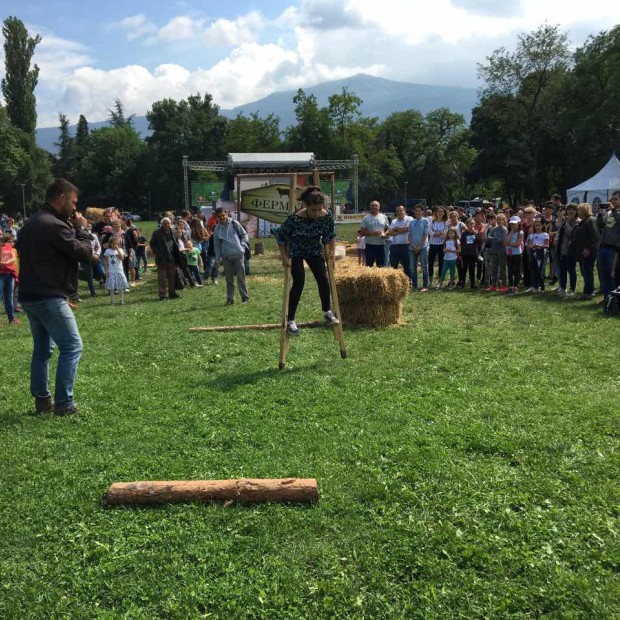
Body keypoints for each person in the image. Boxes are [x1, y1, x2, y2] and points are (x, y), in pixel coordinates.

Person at [15, 178, 92, 416]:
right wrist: (82, 229)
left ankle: (42, 402)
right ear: (61, 199)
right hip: (48, 296)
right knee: (72, 346)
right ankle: (64, 404)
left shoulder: (30, 223)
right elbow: (84, 253)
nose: (75, 208)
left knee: (42, 351)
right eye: (73, 201)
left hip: (29, 296)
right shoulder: (55, 226)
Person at [276, 185, 340, 336]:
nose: (317, 213)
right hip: (297, 250)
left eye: (320, 209)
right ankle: (291, 320)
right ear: (306, 206)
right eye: (314, 210)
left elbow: (330, 234)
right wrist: (285, 257)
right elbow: (280, 236)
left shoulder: (326, 216)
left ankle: (327, 311)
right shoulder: (295, 219)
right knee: (299, 281)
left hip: (314, 250)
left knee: (323, 279)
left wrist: (331, 252)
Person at [213, 208, 250, 305]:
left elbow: (244, 235)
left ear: (226, 214)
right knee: (229, 279)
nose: (222, 218)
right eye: (219, 216)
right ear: (217, 217)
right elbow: (216, 245)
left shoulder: (234, 223)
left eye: (223, 215)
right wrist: (217, 259)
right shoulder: (217, 228)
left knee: (241, 278)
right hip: (226, 257)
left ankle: (245, 298)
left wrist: (242, 246)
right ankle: (230, 299)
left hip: (238, 255)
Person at [150, 217, 182, 300]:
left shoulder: (173, 232)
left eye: (169, 223)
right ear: (162, 224)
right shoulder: (157, 233)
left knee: (172, 277)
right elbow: (152, 244)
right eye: (166, 223)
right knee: (162, 278)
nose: (167, 225)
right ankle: (162, 295)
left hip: (172, 257)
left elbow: (176, 243)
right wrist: (158, 252)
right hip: (162, 259)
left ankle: (172, 293)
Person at [596, 192, 620, 303]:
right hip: (603, 246)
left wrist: (614, 210)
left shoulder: (616, 213)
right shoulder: (609, 213)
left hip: (614, 248)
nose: (613, 201)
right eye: (612, 199)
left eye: (616, 199)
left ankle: (613, 298)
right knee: (603, 273)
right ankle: (606, 297)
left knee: (612, 274)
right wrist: (600, 214)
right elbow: (600, 227)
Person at [573, 203, 600, 300]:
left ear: (584, 210)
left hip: (588, 251)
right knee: (585, 271)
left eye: (579, 210)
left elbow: (594, 236)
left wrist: (588, 248)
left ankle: (588, 292)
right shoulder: (583, 221)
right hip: (582, 251)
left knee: (587, 271)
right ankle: (589, 290)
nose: (577, 212)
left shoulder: (590, 221)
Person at [556, 204, 578, 296]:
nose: (571, 211)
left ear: (576, 211)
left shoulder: (577, 222)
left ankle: (572, 289)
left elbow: (572, 234)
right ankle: (563, 288)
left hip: (571, 251)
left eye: (573, 209)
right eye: (569, 209)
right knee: (563, 270)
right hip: (562, 250)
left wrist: (568, 224)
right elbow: (559, 232)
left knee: (571, 270)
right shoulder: (564, 221)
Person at [387, 205, 413, 281]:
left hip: (406, 246)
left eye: (401, 210)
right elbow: (390, 233)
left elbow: (408, 228)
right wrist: (399, 230)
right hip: (394, 246)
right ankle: (393, 283)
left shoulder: (410, 219)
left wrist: (395, 230)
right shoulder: (394, 221)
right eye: (397, 211)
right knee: (393, 266)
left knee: (407, 266)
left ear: (404, 210)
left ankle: (408, 283)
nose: (399, 212)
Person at [359, 201, 389, 267]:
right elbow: (362, 232)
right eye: (372, 205)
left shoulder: (384, 217)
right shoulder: (365, 218)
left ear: (379, 207)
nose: (374, 207)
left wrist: (385, 234)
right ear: (370, 207)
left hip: (381, 245)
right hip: (370, 245)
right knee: (369, 266)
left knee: (381, 266)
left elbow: (388, 229)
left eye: (376, 205)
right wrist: (372, 233)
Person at [408, 204, 430, 291]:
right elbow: (409, 235)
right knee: (413, 267)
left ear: (422, 212)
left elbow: (425, 235)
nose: (417, 212)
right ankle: (415, 285)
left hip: (423, 247)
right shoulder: (411, 222)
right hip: (412, 248)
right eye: (416, 211)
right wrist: (413, 245)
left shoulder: (425, 221)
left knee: (424, 266)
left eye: (419, 211)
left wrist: (419, 246)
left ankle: (425, 286)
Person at [0, 233, 21, 326]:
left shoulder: (8, 247)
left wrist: (3, 263)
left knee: (9, 297)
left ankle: (11, 318)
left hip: (9, 275)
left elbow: (13, 258)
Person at [526, 219, 549, 293]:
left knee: (539, 271)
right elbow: (529, 245)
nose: (537, 227)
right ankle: (534, 286)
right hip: (533, 252)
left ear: (542, 226)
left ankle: (541, 287)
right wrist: (532, 246)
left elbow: (547, 245)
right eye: (536, 225)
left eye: (539, 225)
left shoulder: (545, 234)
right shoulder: (532, 235)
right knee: (533, 270)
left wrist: (539, 246)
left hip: (541, 253)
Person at [104, 236, 129, 304]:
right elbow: (106, 262)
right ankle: (112, 300)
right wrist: (106, 271)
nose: (115, 245)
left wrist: (117, 249)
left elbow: (122, 258)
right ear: (110, 244)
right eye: (113, 243)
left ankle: (121, 299)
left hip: (119, 270)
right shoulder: (108, 251)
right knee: (112, 287)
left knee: (121, 286)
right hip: (111, 271)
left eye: (116, 243)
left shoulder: (120, 250)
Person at [428, 207, 449, 285]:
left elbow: (445, 234)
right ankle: (430, 280)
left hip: (442, 245)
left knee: (441, 263)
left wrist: (436, 233)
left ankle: (440, 280)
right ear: (436, 212)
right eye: (439, 211)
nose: (440, 213)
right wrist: (438, 233)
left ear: (444, 213)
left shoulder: (446, 222)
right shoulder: (431, 221)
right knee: (431, 262)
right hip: (432, 244)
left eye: (442, 211)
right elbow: (430, 232)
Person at [505, 216, 524, 294]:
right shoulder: (509, 232)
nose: (512, 226)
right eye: (511, 224)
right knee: (510, 269)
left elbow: (517, 244)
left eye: (514, 224)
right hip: (509, 254)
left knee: (516, 270)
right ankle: (510, 285)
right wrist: (511, 232)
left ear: (518, 224)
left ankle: (515, 286)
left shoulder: (520, 232)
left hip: (517, 254)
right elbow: (505, 241)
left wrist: (509, 244)